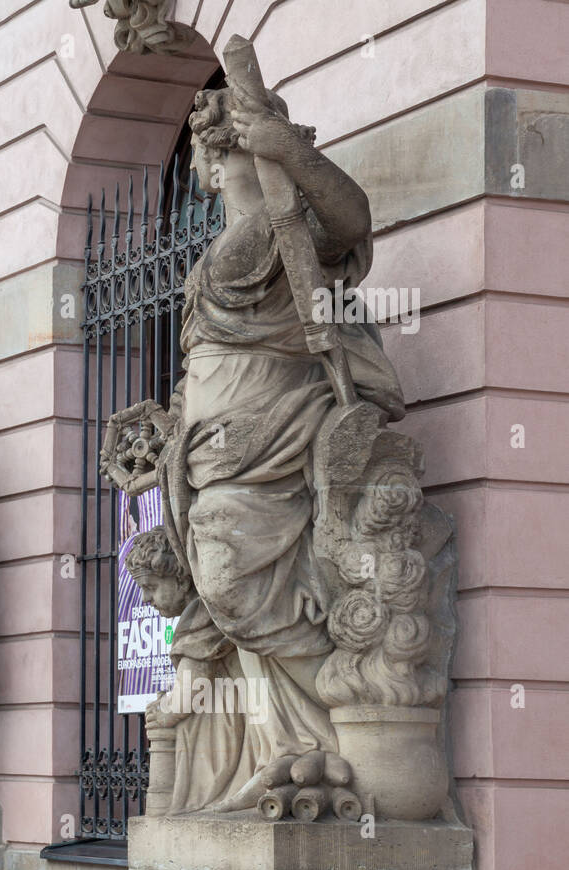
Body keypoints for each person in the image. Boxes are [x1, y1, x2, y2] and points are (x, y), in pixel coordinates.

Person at [142, 81, 406, 813]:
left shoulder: (281, 227)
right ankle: (282, 749)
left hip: (273, 441)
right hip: (211, 453)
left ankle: (324, 724)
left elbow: (351, 221)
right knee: (226, 596)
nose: (197, 168)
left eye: (200, 150)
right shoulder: (235, 239)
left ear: (208, 154)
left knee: (232, 585)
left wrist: (289, 152)